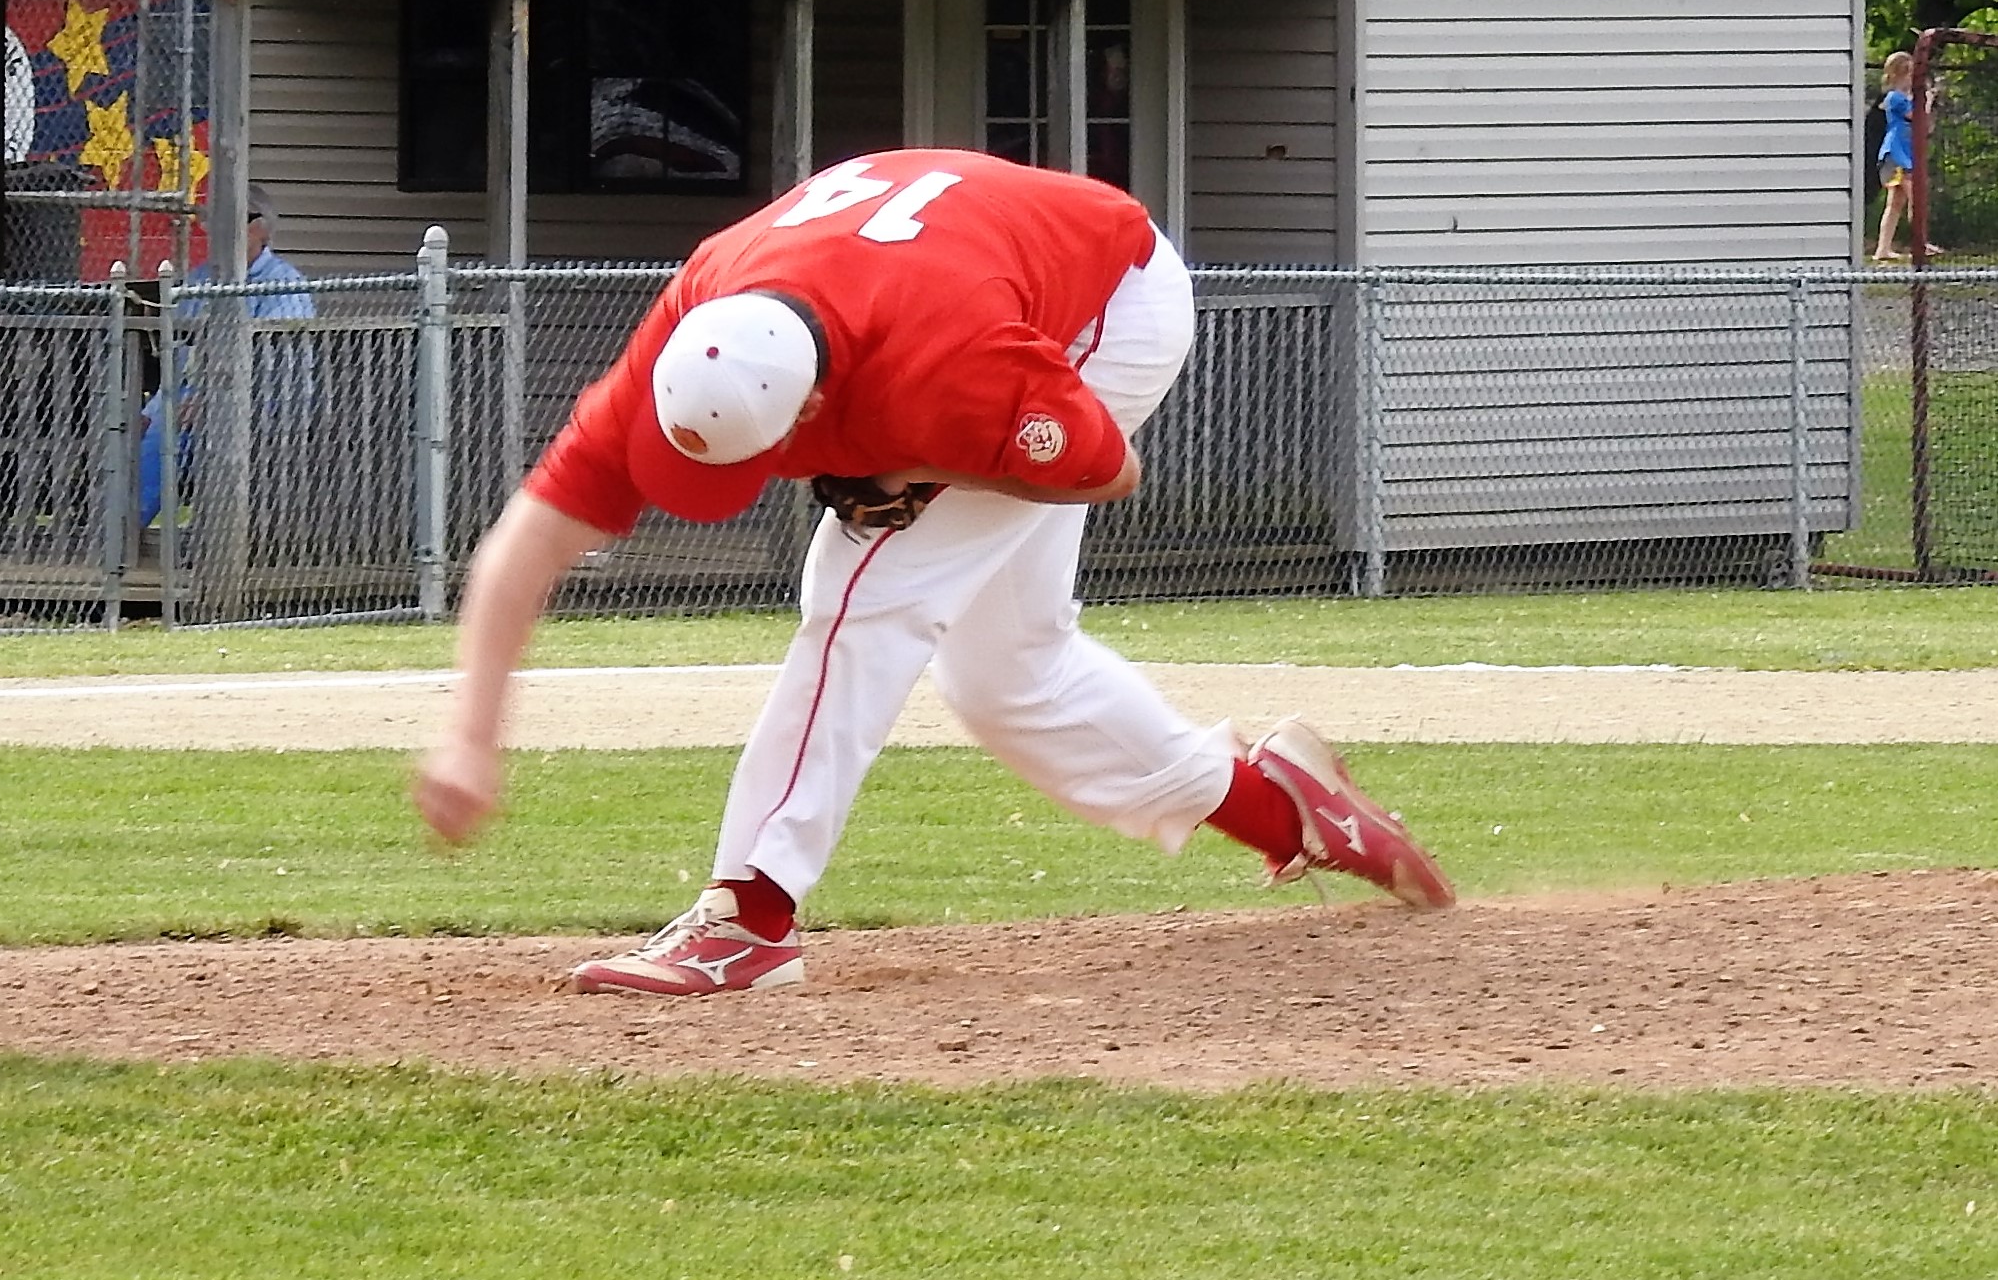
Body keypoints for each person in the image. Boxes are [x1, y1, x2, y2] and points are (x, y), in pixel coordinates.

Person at [411, 148, 1454, 996]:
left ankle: (749, 914)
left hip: (1109, 302)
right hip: (934, 272)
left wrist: (919, 463)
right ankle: (1283, 807)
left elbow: (1109, 470)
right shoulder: (694, 342)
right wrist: (468, 737)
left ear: (812, 413)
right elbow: (529, 540)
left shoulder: (950, 370)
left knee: (862, 588)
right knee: (1007, 681)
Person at [139, 183, 316, 525]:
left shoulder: (284, 285)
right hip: (193, 398)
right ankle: (116, 535)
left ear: (261, 229)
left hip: (266, 402)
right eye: (213, 222)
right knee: (134, 426)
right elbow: (180, 360)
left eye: (233, 221)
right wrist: (151, 408)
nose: (218, 232)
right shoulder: (200, 279)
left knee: (167, 434)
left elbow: (279, 367)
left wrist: (217, 400)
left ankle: (122, 533)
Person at [1871, 51, 1936, 264]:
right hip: (1896, 154)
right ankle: (1921, 244)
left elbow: (1926, 127)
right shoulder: (1895, 98)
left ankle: (1883, 248)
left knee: (1896, 203)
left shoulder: (1906, 99)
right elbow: (1917, 118)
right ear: (1901, 75)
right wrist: (1926, 102)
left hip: (1904, 153)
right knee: (1916, 198)